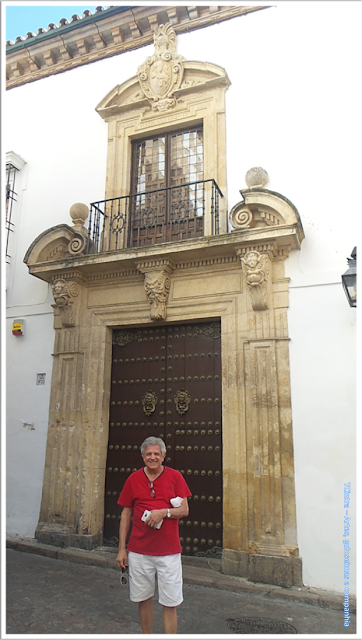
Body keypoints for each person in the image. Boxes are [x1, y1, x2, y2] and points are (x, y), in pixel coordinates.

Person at [116, 436, 192, 634]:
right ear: (142, 456)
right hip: (139, 551)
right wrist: (122, 549)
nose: (152, 457)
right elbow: (125, 514)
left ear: (164, 456)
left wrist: (164, 512)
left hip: (169, 552)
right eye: (149, 454)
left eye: (156, 454)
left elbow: (184, 510)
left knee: (170, 601)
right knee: (143, 598)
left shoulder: (175, 477)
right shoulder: (133, 479)